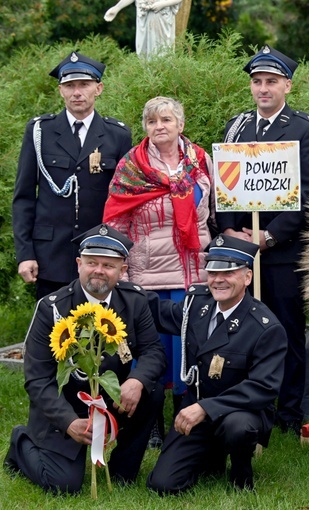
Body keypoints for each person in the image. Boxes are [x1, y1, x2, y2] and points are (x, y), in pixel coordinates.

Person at [3, 224, 166, 494]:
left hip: (112, 399)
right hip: (66, 406)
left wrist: (137, 380)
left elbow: (153, 352)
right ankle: (21, 442)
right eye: (92, 262)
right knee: (64, 486)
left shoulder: (135, 301)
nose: (99, 270)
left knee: (153, 391)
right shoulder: (52, 308)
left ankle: (123, 471)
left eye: (108, 265)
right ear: (79, 264)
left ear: (122, 270)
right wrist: (68, 422)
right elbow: (37, 379)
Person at [220, 45, 309, 434]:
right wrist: (230, 230)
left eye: (271, 81)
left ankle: (288, 413)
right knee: (241, 329)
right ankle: (250, 406)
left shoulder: (304, 128)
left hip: (282, 251)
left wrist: (271, 234)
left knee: (284, 329)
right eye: (257, 82)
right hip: (241, 252)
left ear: (287, 85)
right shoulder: (236, 127)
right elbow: (226, 183)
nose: (263, 89)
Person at [103, 96, 213, 443]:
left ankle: (184, 421)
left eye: (166, 120)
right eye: (152, 122)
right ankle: (148, 423)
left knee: (187, 348)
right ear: (145, 128)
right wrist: (119, 275)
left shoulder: (201, 160)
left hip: (193, 272)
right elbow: (116, 222)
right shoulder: (130, 167)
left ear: (181, 124)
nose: (159, 127)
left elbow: (215, 211)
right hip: (147, 275)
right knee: (150, 349)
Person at [145, 235, 288, 493]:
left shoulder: (265, 328)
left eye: (229, 272)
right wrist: (114, 287)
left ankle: (241, 473)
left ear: (247, 277)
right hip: (197, 410)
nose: (218, 279)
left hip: (241, 411)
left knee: (238, 427)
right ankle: (212, 455)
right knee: (163, 485)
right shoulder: (197, 306)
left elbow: (263, 388)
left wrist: (205, 407)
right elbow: (157, 311)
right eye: (212, 272)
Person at [12, 52, 133, 300]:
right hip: (50, 256)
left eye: (84, 85)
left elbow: (123, 201)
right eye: (69, 85)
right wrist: (25, 254)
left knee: (101, 331)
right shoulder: (39, 131)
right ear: (60, 91)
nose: (77, 92)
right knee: (52, 332)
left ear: (98, 88)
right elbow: (23, 198)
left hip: (100, 257)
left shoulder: (117, 135)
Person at [104, 0, 183, 58]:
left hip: (160, 16)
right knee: (143, 53)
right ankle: (147, 77)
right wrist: (116, 8)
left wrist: (162, 4)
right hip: (143, 16)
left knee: (160, 51)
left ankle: (159, 76)